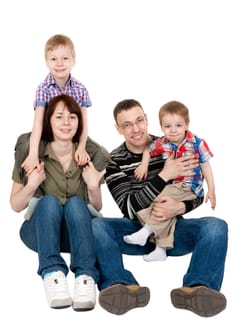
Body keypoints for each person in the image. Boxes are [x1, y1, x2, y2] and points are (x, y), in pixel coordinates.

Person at [92, 98, 228, 317]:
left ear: (147, 120)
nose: (135, 129)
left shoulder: (172, 143)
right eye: (127, 125)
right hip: (134, 232)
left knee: (216, 226)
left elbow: (194, 190)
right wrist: (165, 175)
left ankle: (197, 288)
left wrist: (179, 207)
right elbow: (128, 207)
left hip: (173, 230)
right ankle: (121, 286)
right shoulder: (114, 160)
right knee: (97, 226)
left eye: (139, 121)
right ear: (118, 129)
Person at [10, 94, 110, 311]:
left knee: (76, 203)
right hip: (39, 232)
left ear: (79, 123)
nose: (66, 123)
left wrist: (93, 186)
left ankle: (85, 277)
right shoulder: (31, 151)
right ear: (48, 121)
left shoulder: (91, 155)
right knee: (48, 202)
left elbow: (97, 207)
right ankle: (52, 274)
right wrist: (31, 184)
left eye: (73, 117)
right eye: (59, 117)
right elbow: (16, 205)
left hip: (78, 235)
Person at [123, 100, 216, 262]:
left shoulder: (196, 143)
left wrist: (212, 190)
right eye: (167, 126)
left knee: (157, 201)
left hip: (189, 186)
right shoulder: (162, 143)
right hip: (173, 186)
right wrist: (144, 165)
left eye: (178, 125)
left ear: (187, 125)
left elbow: (206, 167)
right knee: (157, 210)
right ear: (161, 127)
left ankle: (146, 232)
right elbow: (148, 150)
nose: (173, 130)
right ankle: (160, 249)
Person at [22, 34, 91, 176]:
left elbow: (84, 121)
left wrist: (82, 147)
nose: (59, 64)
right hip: (49, 136)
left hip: (73, 136)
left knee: (99, 153)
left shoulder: (80, 88)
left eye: (65, 58)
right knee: (25, 147)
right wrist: (33, 153)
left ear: (74, 61)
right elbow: (38, 122)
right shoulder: (43, 89)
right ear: (47, 63)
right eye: (54, 59)